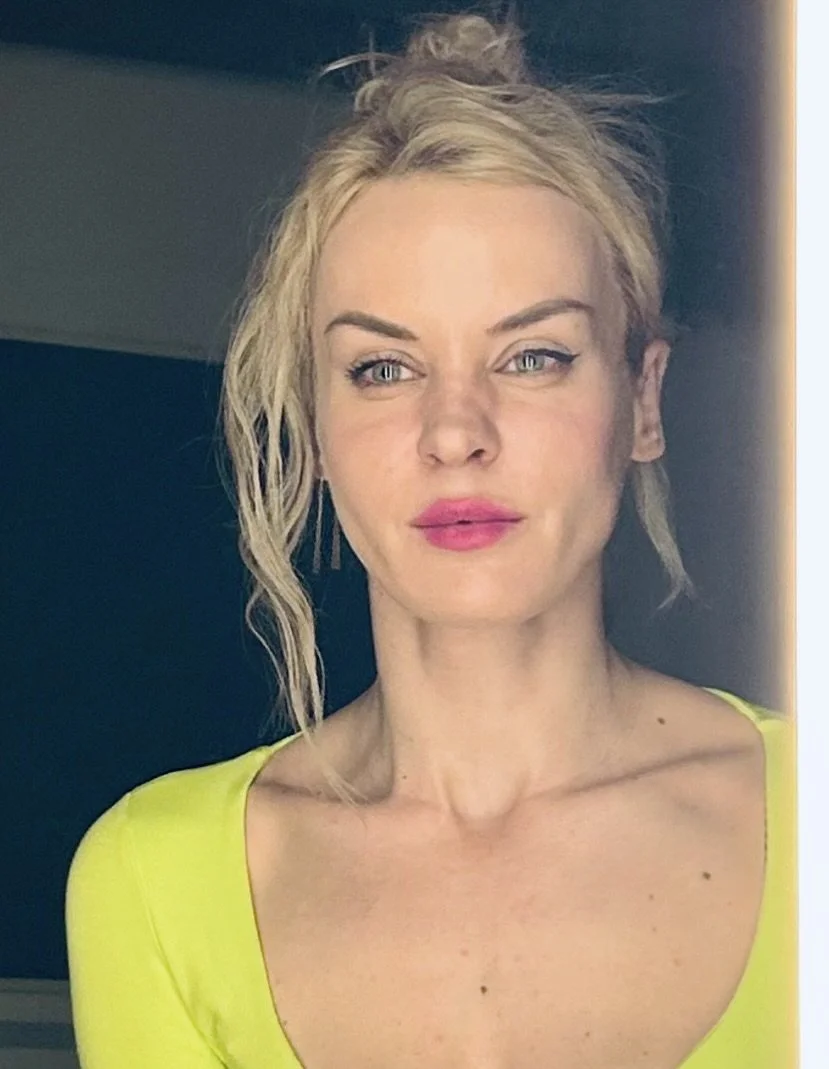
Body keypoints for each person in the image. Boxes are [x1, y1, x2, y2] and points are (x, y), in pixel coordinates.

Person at [65, 13, 795, 1069]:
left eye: (533, 356)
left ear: (641, 400)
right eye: (383, 369)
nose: (455, 433)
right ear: (317, 428)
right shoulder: (153, 878)